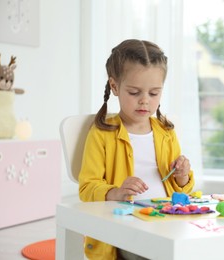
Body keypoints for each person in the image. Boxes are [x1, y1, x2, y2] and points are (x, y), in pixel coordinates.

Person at [78, 39, 195, 260]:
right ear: (114, 86)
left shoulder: (166, 132)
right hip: (126, 230)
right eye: (134, 92)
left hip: (169, 224)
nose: (144, 101)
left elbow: (182, 189)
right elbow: (87, 188)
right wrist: (116, 192)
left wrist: (182, 175)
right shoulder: (103, 132)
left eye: (154, 93)